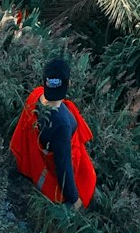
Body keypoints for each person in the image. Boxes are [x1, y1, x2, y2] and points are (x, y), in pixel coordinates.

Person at [10, 56, 97, 209]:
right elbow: (63, 166)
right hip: (63, 175)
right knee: (88, 189)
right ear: (68, 84)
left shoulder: (36, 95)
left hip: (36, 159)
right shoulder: (61, 123)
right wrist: (75, 198)